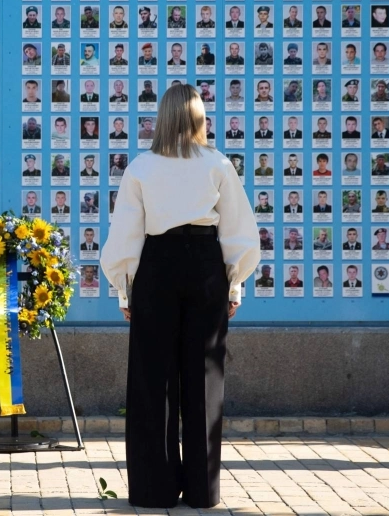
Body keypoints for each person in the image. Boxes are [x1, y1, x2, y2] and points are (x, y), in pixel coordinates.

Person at [100, 84, 259, 510]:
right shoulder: (218, 163)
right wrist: (234, 282)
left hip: (157, 266)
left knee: (153, 381)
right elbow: (239, 230)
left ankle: (155, 490)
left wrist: (123, 288)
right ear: (198, 118)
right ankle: (203, 492)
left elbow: (127, 234)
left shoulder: (141, 167)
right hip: (206, 265)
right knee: (205, 379)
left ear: (162, 117)